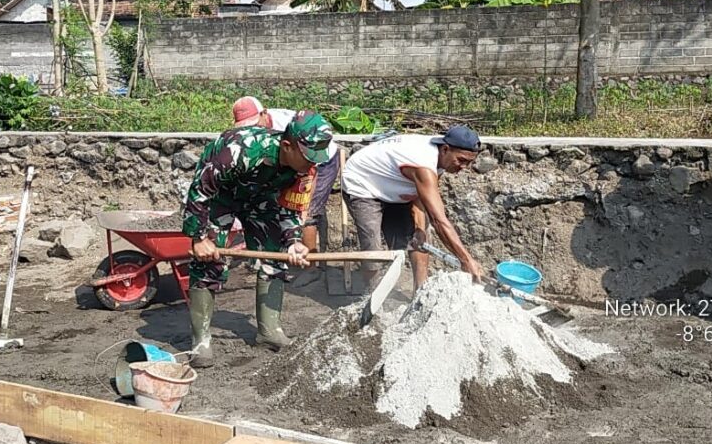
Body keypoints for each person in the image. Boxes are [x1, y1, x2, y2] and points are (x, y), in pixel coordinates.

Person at [182, 110, 335, 368]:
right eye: (309, 158)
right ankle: (201, 342)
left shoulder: (303, 169)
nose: (313, 165)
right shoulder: (240, 149)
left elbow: (289, 207)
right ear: (287, 147)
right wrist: (198, 238)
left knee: (275, 256)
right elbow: (200, 189)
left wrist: (293, 241)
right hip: (220, 196)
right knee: (209, 262)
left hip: (260, 198)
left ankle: (269, 331)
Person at [341, 124, 485, 291]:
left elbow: (420, 194)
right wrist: (466, 260)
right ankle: (371, 294)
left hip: (393, 185)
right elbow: (439, 220)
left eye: (469, 162)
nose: (464, 167)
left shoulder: (442, 158)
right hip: (363, 183)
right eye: (461, 160)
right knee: (373, 246)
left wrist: (419, 227)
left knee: (420, 239)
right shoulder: (423, 163)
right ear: (445, 149)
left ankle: (420, 292)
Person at [232, 96, 342, 256]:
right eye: (246, 127)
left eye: (255, 125)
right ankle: (287, 253)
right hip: (294, 163)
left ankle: (309, 266)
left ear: (264, 113)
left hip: (320, 159)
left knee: (306, 211)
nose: (251, 131)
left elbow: (311, 170)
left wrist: (305, 203)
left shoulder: (287, 128)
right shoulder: (249, 140)